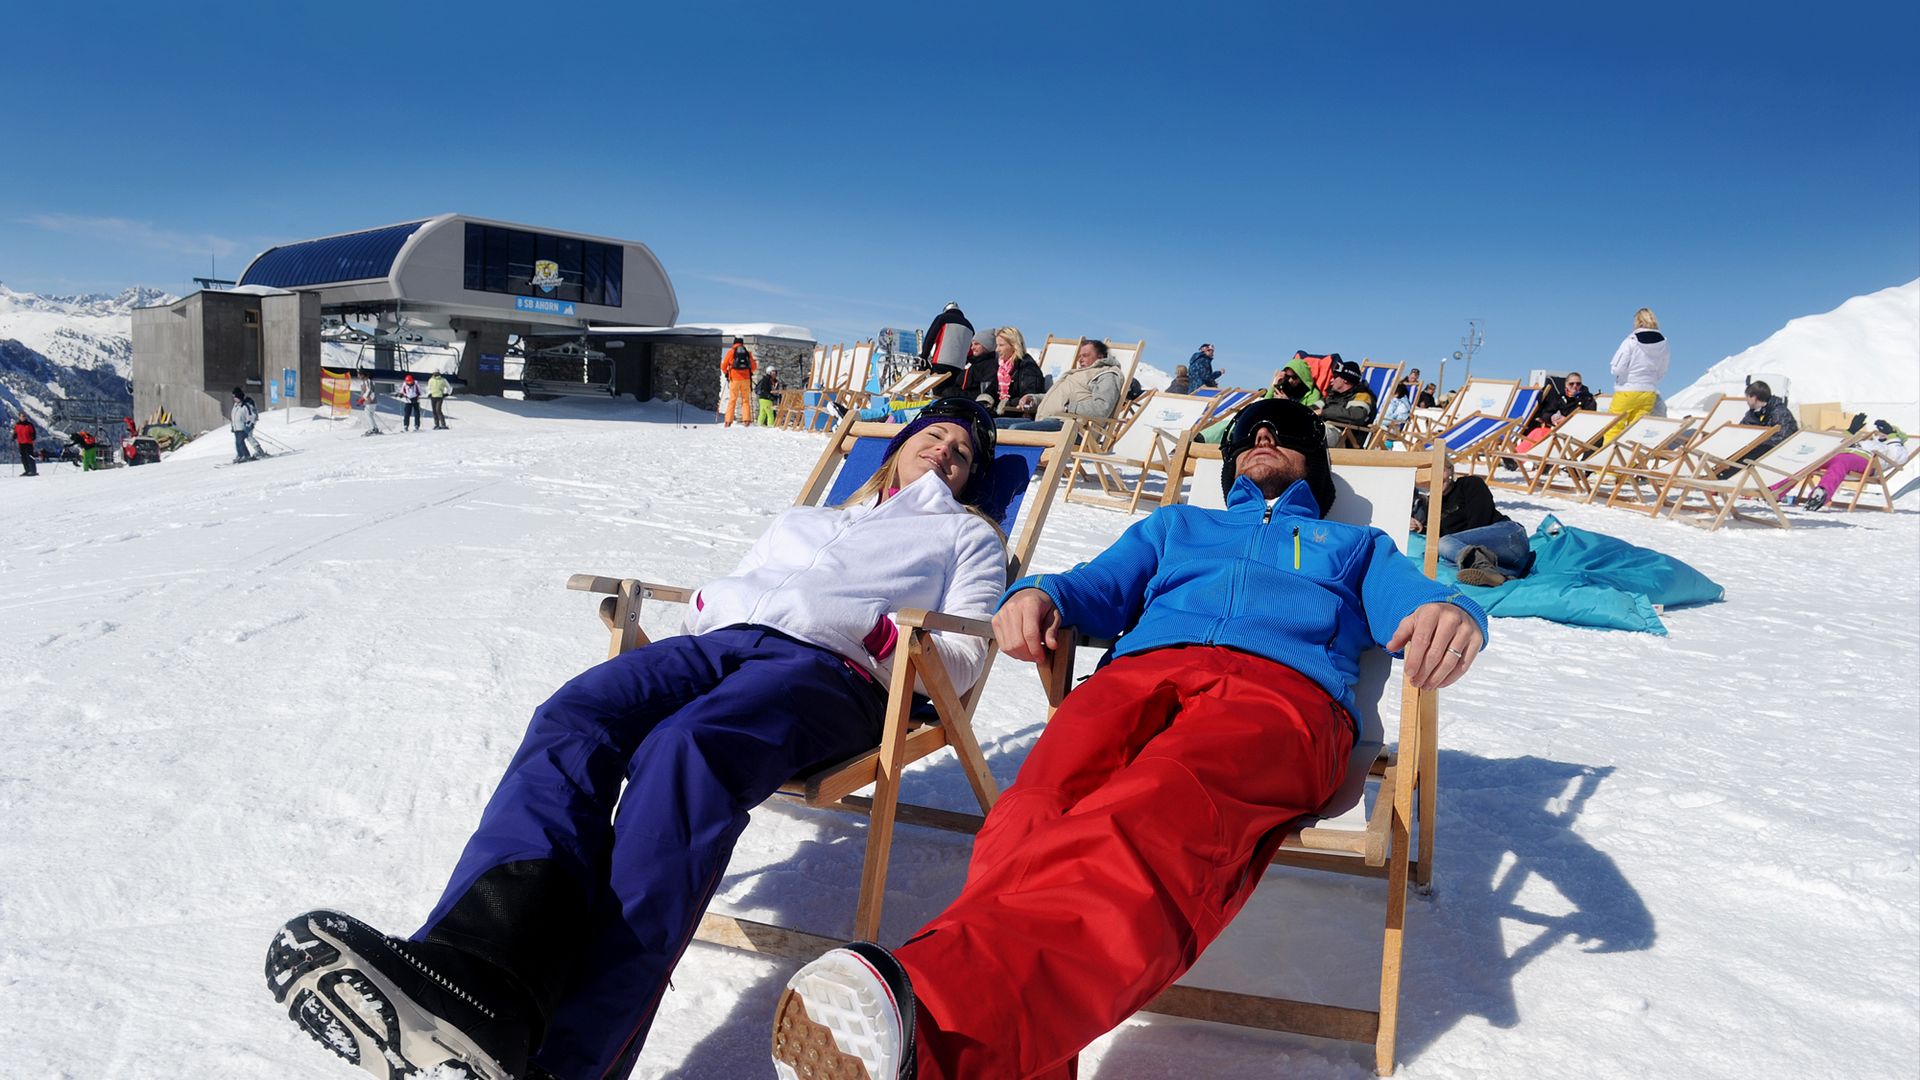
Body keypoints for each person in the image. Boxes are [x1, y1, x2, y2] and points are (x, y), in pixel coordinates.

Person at [266, 397, 1011, 1080]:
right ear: (900, 444)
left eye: (963, 453)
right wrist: (711, 603)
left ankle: (569, 1059)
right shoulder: (805, 520)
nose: (945, 453)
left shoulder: (965, 536)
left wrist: (879, 635)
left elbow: (966, 653)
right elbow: (737, 586)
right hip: (717, 645)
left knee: (687, 754)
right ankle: (480, 975)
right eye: (935, 436)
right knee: (574, 717)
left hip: (832, 673)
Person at [769, 398, 1488, 1080]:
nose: (1263, 438)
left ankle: (936, 1028)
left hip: (1282, 695)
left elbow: (1421, 600)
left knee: (1157, 807)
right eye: (1248, 434)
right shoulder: (1176, 527)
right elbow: (1093, 586)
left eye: (1284, 432)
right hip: (1137, 677)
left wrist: (1451, 614)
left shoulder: (1357, 545)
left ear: (1316, 466)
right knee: (1028, 815)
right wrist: (1040, 593)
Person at [1410, 457, 1532, 587]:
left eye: (1440, 471)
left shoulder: (1469, 484)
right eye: (1428, 476)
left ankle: (1484, 568)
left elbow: (1480, 521)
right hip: (1506, 563)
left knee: (1443, 545)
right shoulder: (1432, 504)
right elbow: (1450, 536)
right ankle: (1497, 576)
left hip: (1509, 538)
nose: (1435, 479)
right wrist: (1422, 529)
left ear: (1451, 470)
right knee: (1443, 561)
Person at [1005, 338, 1124, 430]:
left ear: (1100, 357)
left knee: (1015, 430)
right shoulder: (1077, 373)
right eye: (1080, 356)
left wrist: (1068, 408)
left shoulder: (1106, 374)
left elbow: (1102, 407)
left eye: (1085, 355)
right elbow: (1058, 399)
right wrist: (1033, 399)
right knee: (996, 426)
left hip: (1072, 427)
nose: (1080, 359)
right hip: (1047, 420)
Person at [1804, 420, 1914, 511]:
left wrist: (1892, 436)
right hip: (1842, 455)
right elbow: (1836, 444)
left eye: (1886, 431)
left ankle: (1822, 494)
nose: (1881, 433)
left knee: (1842, 461)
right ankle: (1791, 484)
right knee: (1809, 460)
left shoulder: (1894, 447)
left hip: (1865, 462)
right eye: (1881, 431)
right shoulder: (1869, 442)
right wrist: (1850, 431)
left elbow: (1898, 459)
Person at [1603, 307, 1669, 445]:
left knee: (1613, 427)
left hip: (1628, 390)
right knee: (1636, 431)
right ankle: (1631, 457)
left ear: (1638, 321)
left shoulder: (1631, 341)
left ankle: (1608, 457)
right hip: (1648, 392)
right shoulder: (1663, 343)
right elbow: (1663, 369)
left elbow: (1617, 368)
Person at [1514, 371, 1597, 453]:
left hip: (1575, 435)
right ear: (1566, 385)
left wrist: (1566, 420)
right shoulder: (1560, 397)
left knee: (1543, 434)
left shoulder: (1588, 399)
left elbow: (1588, 420)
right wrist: (1552, 417)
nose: (1575, 386)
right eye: (1571, 384)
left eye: (1578, 384)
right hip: (1560, 432)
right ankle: (1518, 455)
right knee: (1537, 431)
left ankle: (1521, 457)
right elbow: (1546, 412)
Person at [973, 327, 1046, 420]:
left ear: (1014, 345)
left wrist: (1006, 404)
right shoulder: (1003, 368)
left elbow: (1028, 397)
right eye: (997, 345)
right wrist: (984, 401)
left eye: (1001, 345)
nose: (997, 349)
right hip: (1005, 414)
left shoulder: (1027, 367)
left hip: (1020, 416)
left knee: (987, 424)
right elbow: (992, 389)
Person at [1736, 379, 1798, 461]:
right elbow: (1741, 428)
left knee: (1743, 460)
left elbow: (1782, 437)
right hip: (1760, 448)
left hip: (1780, 452)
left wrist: (1756, 441)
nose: (1746, 400)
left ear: (1754, 397)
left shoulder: (1779, 412)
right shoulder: (1754, 412)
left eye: (1747, 397)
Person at [1318, 357, 1376, 444]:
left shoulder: (1362, 396)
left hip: (1345, 437)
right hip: (1325, 427)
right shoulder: (1333, 395)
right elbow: (1314, 408)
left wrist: (1324, 412)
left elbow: (1356, 415)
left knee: (1310, 433)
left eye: (1335, 377)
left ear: (1345, 380)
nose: (1331, 380)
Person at [720, 337, 756, 427]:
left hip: (734, 379)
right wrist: (749, 373)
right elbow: (754, 367)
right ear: (742, 343)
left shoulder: (731, 352)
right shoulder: (747, 353)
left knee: (732, 400)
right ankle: (746, 420)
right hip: (746, 379)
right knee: (745, 400)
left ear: (734, 343)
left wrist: (727, 373)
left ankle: (728, 421)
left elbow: (723, 366)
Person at [229, 388, 255, 462]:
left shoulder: (245, 406)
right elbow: (233, 416)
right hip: (236, 428)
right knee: (237, 443)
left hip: (242, 428)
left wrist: (248, 426)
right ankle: (240, 455)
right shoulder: (235, 406)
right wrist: (232, 426)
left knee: (240, 442)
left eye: (235, 397)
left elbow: (251, 417)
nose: (234, 399)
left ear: (239, 397)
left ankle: (246, 455)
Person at [13, 412, 37, 476]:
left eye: (24, 416)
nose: (23, 417)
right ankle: (27, 470)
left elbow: (33, 433)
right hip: (21, 443)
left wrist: (33, 437)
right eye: (22, 416)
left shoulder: (29, 425)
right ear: (19, 417)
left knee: (30, 457)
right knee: (23, 458)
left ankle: (33, 471)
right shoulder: (17, 425)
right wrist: (14, 436)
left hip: (28, 443)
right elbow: (15, 432)